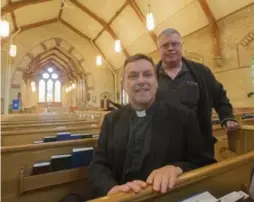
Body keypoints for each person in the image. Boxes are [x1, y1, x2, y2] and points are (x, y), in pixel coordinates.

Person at [87, 54, 216, 199]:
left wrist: (177, 168)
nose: (141, 81)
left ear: (157, 82)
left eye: (147, 75)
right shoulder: (111, 120)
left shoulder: (184, 117)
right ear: (123, 84)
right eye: (133, 76)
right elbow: (98, 165)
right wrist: (112, 189)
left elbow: (204, 162)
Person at [156, 28, 240, 157]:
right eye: (165, 45)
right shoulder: (150, 76)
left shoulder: (201, 72)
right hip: (162, 147)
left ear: (181, 46)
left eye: (175, 44)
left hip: (199, 144)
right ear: (159, 49)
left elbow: (219, 96)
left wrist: (227, 117)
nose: (170, 48)